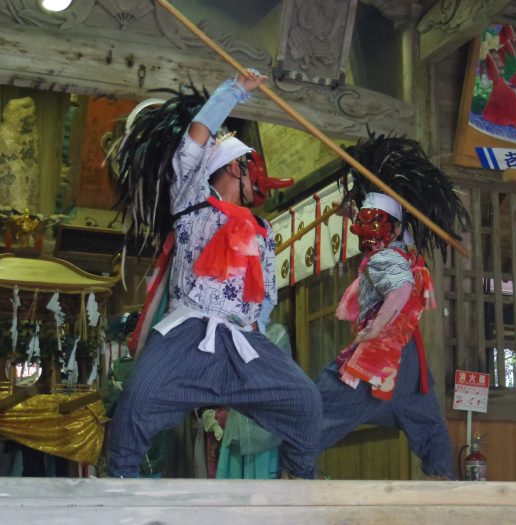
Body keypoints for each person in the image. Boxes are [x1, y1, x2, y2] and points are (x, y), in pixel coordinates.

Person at [107, 71, 321, 479]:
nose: (252, 176)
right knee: (139, 398)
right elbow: (196, 137)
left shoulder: (263, 230)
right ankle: (119, 485)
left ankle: (297, 486)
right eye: (246, 165)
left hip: (244, 339)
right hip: (190, 333)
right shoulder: (191, 200)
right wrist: (234, 91)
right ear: (229, 168)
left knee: (304, 401)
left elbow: (266, 295)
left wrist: (261, 329)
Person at [314, 136, 469, 480]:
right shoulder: (403, 249)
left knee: (318, 405)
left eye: (373, 221)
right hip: (410, 357)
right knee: (427, 423)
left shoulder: (385, 257)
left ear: (395, 227)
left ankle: (296, 468)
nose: (365, 228)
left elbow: (399, 291)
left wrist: (376, 327)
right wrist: (354, 208)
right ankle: (442, 481)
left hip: (383, 355)